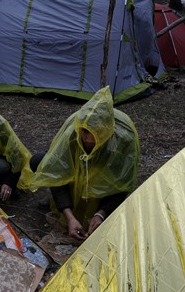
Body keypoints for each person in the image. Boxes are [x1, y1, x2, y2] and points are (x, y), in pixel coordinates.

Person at [30, 86, 139, 241]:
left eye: (96, 134)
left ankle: (92, 210)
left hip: (99, 193)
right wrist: (69, 217)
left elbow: (121, 186)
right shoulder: (72, 132)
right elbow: (57, 172)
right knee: (39, 161)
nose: (88, 140)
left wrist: (100, 214)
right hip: (74, 180)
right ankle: (61, 204)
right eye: (85, 132)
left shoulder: (122, 141)